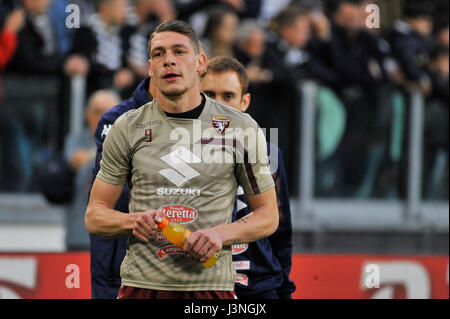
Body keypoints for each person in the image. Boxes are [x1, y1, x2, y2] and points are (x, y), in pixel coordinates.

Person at [85, 20, 278, 299]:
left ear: (201, 62)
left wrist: (220, 235)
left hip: (211, 290)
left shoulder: (241, 128)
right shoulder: (126, 127)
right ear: (150, 68)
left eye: (179, 51)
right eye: (158, 54)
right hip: (141, 287)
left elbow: (269, 216)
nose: (168, 61)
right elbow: (94, 215)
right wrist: (133, 221)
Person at [201, 55, 296, 299]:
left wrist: (283, 289)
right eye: (210, 95)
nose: (218, 104)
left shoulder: (269, 153)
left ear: (245, 102)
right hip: (201, 289)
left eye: (228, 96)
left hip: (259, 290)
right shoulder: (176, 152)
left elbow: (281, 232)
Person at [64, 90, 120, 250]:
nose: (103, 117)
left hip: (117, 238)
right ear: (86, 114)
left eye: (110, 112)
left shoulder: (130, 143)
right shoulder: (74, 141)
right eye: (97, 111)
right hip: (80, 235)